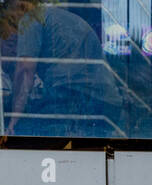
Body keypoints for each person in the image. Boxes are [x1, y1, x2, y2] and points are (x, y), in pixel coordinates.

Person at [4, 0, 126, 138]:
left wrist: (13, 121)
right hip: (108, 104)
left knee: (31, 132)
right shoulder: (63, 18)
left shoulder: (30, 19)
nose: (11, 32)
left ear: (18, 7)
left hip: (75, 99)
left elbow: (25, 70)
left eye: (9, 22)